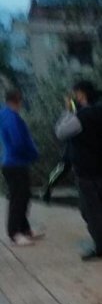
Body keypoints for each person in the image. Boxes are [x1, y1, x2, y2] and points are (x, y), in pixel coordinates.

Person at [55, 80, 102, 261]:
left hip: (86, 171)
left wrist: (68, 111)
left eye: (75, 95)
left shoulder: (80, 117)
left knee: (90, 211)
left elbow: (60, 132)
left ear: (81, 95)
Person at [0, 89, 41, 246]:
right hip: (16, 163)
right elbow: (18, 142)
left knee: (21, 197)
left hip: (11, 163)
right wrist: (32, 154)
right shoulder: (12, 117)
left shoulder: (5, 115)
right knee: (19, 199)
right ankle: (15, 233)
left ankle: (24, 229)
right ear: (17, 100)